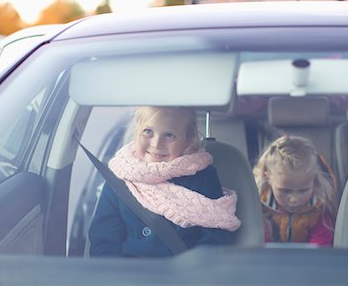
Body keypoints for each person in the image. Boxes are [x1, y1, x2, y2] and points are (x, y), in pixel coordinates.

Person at [88, 106, 241, 257]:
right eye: (148, 131)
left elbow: (215, 236)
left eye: (169, 135)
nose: (156, 144)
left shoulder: (203, 177)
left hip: (183, 273)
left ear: (187, 141)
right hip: (129, 273)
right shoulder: (120, 177)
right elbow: (104, 241)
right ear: (137, 132)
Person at [253, 135, 337, 246]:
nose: (294, 199)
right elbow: (260, 244)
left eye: (303, 190)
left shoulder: (319, 208)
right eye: (285, 191)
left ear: (313, 179)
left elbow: (320, 247)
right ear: (267, 178)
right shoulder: (259, 207)